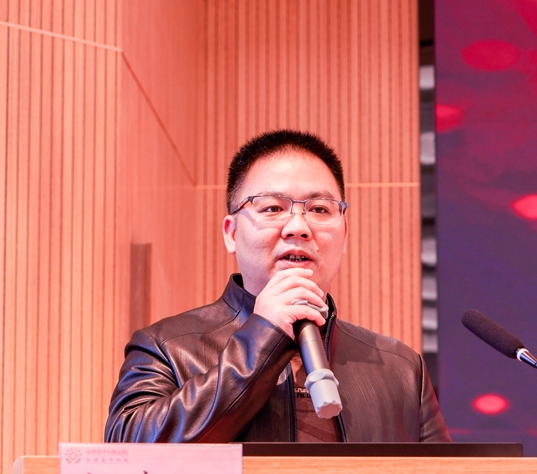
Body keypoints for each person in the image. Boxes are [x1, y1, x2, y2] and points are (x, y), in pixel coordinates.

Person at [104, 130, 450, 443]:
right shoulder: (166, 347)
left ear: (344, 236)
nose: (298, 227)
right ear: (231, 233)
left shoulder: (402, 370)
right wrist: (263, 338)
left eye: (319, 209)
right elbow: (129, 455)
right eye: (272, 207)